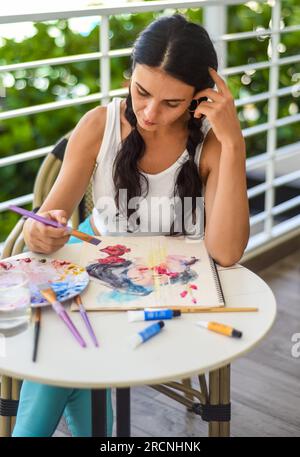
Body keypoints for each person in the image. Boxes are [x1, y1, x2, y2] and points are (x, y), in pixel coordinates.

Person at [13, 13, 249, 437]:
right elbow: (45, 226)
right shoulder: (98, 126)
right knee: (58, 364)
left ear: (201, 98)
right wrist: (42, 230)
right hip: (102, 291)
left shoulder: (213, 143)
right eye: (141, 92)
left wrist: (233, 142)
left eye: (171, 103)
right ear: (129, 77)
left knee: (59, 367)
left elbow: (228, 252)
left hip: (176, 303)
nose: (150, 113)